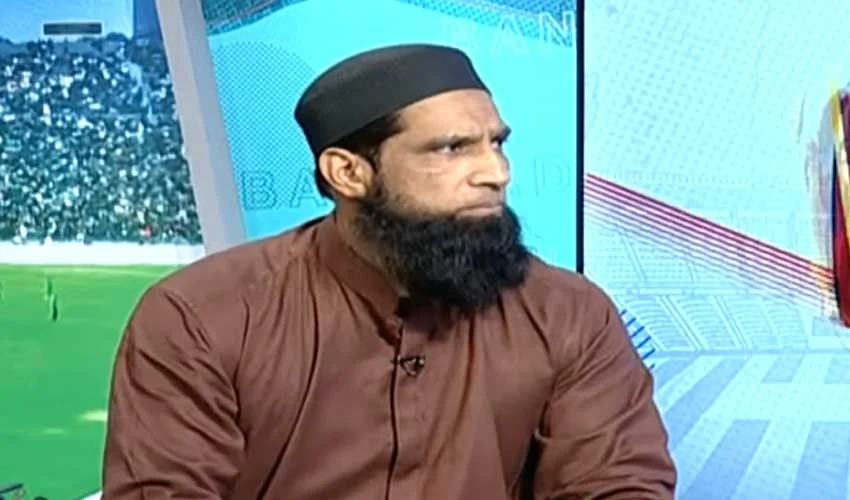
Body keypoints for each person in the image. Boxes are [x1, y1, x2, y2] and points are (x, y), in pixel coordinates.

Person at [101, 44, 676, 499]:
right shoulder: (202, 318)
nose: (496, 172)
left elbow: (618, 485)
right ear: (348, 173)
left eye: (497, 144)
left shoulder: (569, 313)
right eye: (452, 149)